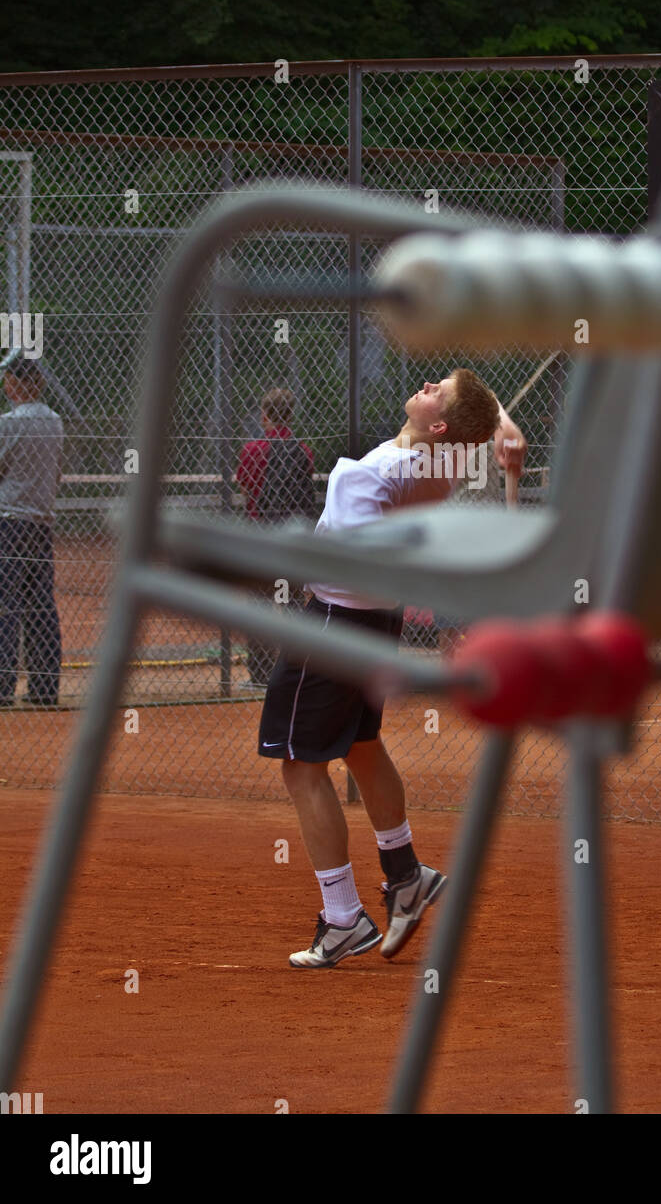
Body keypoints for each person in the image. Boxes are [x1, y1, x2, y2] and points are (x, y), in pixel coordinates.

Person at [256, 368, 526, 968]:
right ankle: (404, 875)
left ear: (439, 423)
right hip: (377, 626)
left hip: (332, 624)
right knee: (362, 746)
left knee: (301, 769)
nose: (429, 383)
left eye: (438, 390)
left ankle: (343, 918)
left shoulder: (371, 475)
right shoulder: (444, 459)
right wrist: (504, 429)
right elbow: (477, 415)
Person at [235, 388, 315, 688]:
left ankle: (260, 675)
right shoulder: (303, 449)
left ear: (264, 415)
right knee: (293, 602)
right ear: (290, 415)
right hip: (291, 537)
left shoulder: (253, 449)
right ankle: (295, 672)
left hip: (260, 536)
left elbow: (245, 490)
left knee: (259, 604)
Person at [0, 353, 64, 707]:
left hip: (8, 521)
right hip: (41, 522)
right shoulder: (54, 421)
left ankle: (2, 686)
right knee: (40, 604)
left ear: (17, 383)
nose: (6, 385)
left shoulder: (8, 423)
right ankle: (44, 688)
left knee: (5, 605)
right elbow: (55, 474)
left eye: (9, 379)